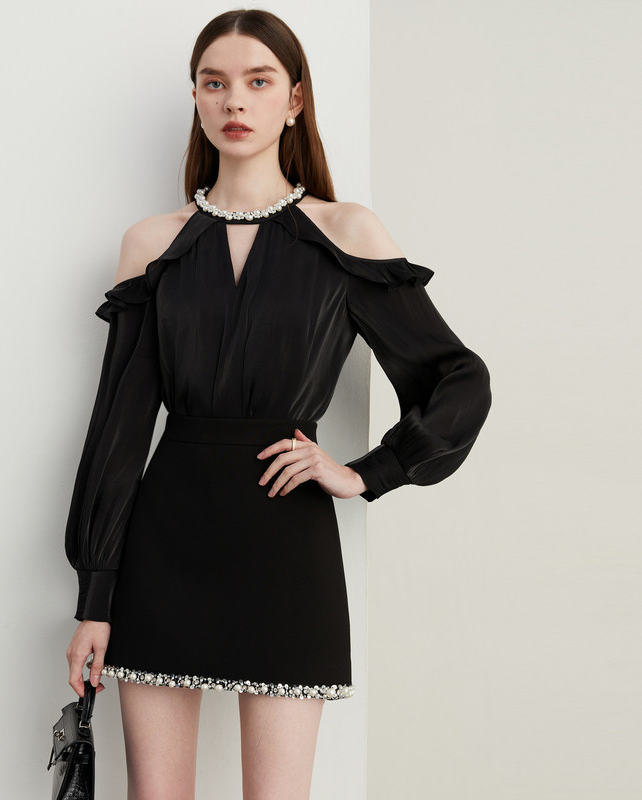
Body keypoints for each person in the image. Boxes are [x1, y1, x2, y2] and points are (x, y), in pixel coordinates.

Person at [63, 8, 492, 799]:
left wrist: (366, 472)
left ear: (295, 100)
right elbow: (117, 432)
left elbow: (457, 377)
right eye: (214, 83)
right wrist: (95, 597)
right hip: (163, 553)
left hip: (287, 550)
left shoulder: (345, 232)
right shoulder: (152, 243)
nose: (235, 101)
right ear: (196, 97)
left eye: (258, 82)